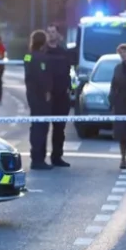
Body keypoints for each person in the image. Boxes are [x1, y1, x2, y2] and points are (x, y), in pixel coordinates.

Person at [43, 25, 73, 167]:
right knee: (42, 128)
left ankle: (57, 157)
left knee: (59, 129)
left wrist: (68, 89)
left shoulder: (63, 52)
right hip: (45, 96)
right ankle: (39, 158)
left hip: (62, 95)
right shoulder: (41, 52)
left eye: (53, 32)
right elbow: (28, 63)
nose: (51, 35)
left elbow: (69, 70)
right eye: (48, 32)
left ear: (58, 34)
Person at [24, 29, 53, 170]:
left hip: (31, 95)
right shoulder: (41, 58)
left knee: (35, 125)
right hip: (41, 97)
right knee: (41, 127)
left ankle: (36, 156)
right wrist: (47, 91)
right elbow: (42, 77)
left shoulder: (28, 56)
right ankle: (38, 159)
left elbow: (29, 74)